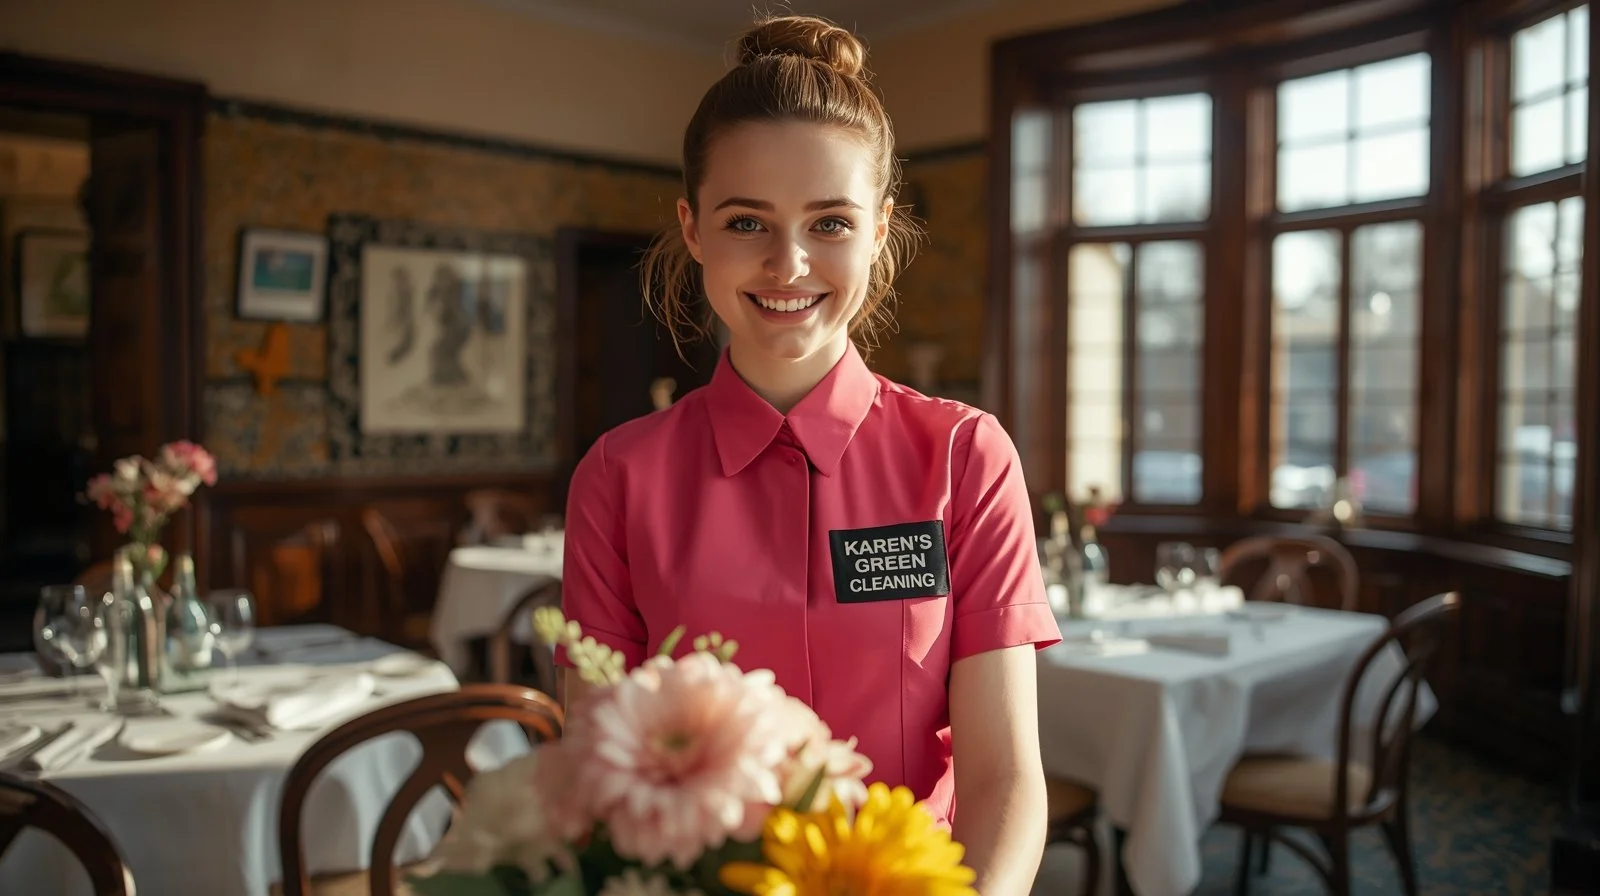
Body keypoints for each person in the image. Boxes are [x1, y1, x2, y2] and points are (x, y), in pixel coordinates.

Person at [556, 14, 1061, 894]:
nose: (789, 264)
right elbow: (600, 773)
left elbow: (1004, 775)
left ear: (879, 230)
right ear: (693, 228)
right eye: (747, 221)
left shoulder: (965, 457)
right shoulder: (617, 477)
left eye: (829, 222)